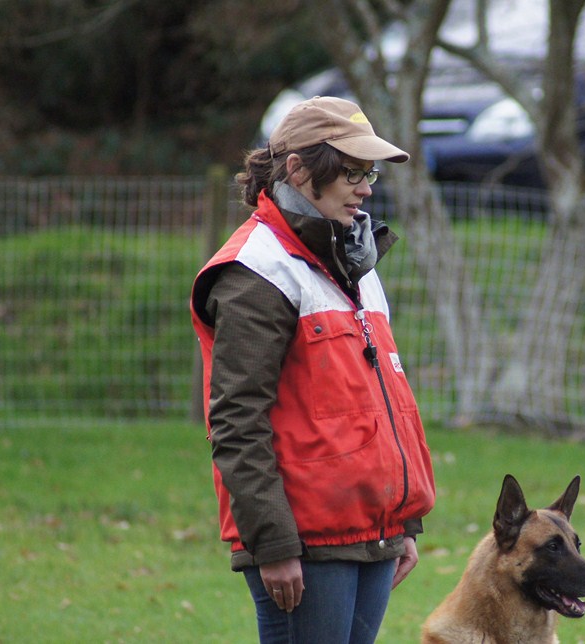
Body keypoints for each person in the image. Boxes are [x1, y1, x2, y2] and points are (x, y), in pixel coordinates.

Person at [190, 96, 435, 643]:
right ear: (299, 170)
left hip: (371, 533)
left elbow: (382, 401)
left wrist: (400, 525)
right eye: (351, 172)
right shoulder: (256, 270)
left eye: (368, 172)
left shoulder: (356, 260)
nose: (366, 187)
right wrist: (272, 544)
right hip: (303, 543)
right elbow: (236, 421)